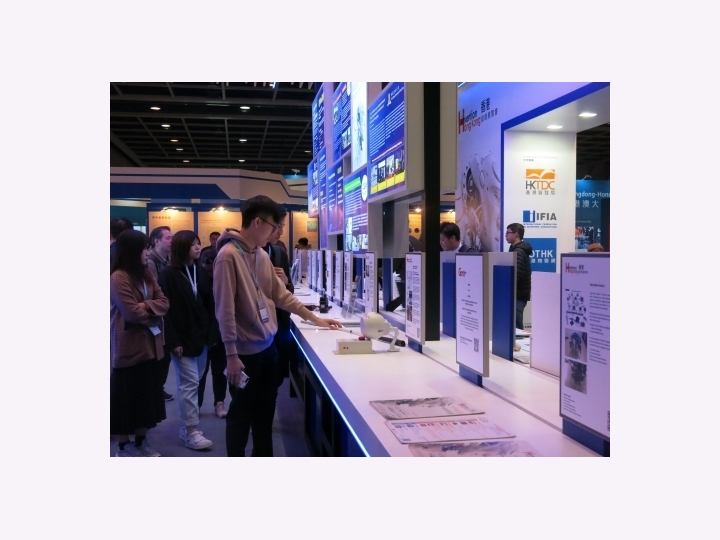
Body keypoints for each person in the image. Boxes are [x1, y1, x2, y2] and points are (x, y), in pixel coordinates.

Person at [213, 195, 343, 457]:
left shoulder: (261, 255)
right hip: (244, 355)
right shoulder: (228, 257)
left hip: (268, 349)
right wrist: (231, 355)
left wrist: (315, 319)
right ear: (257, 222)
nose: (276, 232)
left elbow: (281, 296)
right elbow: (225, 311)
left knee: (265, 414)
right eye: (274, 226)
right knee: (240, 415)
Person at [158, 230, 219, 451]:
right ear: (181, 247)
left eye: (198, 243)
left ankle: (189, 427)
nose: (197, 247)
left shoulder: (199, 270)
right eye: (193, 244)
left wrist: (212, 335)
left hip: (201, 338)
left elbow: (210, 304)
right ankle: (190, 430)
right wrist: (173, 341)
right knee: (190, 383)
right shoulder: (167, 274)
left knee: (195, 380)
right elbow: (166, 312)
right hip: (181, 340)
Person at [110, 229, 170, 457]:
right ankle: (123, 446)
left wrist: (146, 307)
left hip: (151, 347)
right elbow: (132, 313)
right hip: (128, 347)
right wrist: (152, 309)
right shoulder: (118, 277)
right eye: (145, 248)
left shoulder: (146, 275)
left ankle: (141, 442)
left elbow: (165, 302)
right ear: (132, 250)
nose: (148, 252)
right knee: (125, 400)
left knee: (145, 399)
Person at [262, 207, 294, 385]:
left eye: (282, 227)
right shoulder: (243, 254)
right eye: (279, 226)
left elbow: (289, 290)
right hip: (259, 327)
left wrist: (286, 282)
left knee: (278, 376)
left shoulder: (279, 253)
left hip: (279, 322)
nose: (281, 232)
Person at [147, 225, 174, 401]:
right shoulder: (150, 262)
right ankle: (155, 389)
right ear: (156, 241)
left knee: (166, 354)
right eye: (168, 238)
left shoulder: (169, 259)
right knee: (159, 353)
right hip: (157, 314)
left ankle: (158, 387)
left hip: (167, 313)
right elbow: (156, 289)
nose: (171, 241)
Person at [505, 223, 532, 330]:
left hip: (518, 295)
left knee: (517, 327)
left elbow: (516, 275)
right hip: (516, 294)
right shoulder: (514, 249)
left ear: (516, 234)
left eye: (508, 232)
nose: (506, 235)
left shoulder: (518, 251)